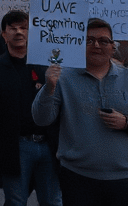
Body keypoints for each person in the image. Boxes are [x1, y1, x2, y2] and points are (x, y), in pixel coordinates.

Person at [31, 17, 128, 204]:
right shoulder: (63, 77)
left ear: (113, 47)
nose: (96, 45)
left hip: (123, 177)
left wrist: (125, 122)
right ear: (78, 45)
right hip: (77, 177)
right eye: (89, 40)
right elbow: (41, 119)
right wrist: (49, 87)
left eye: (103, 41)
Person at [0, 9, 61, 206]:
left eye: (23, 28)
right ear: (3, 34)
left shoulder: (48, 66)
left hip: (49, 145)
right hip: (16, 146)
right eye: (13, 28)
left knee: (53, 201)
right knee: (16, 201)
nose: (18, 32)